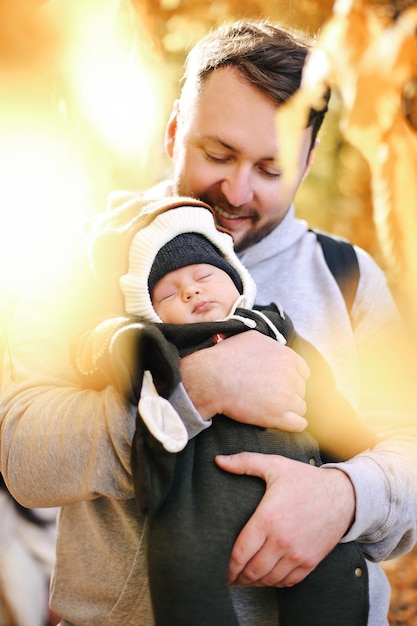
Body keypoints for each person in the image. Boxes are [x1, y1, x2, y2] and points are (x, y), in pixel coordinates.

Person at [1, 18, 417, 626]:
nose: (236, 189)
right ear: (174, 131)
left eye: (270, 169)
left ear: (307, 162)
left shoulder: (349, 276)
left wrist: (344, 497)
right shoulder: (80, 261)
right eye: (217, 153)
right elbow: (20, 454)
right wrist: (189, 393)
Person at [73, 198, 376, 625]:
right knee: (185, 581)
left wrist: (354, 452)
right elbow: (102, 352)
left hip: (303, 499)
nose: (192, 291)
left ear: (237, 283)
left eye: (204, 276)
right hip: (196, 506)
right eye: (169, 293)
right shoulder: (161, 344)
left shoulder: (270, 327)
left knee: (333, 579)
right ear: (151, 311)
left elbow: (319, 391)